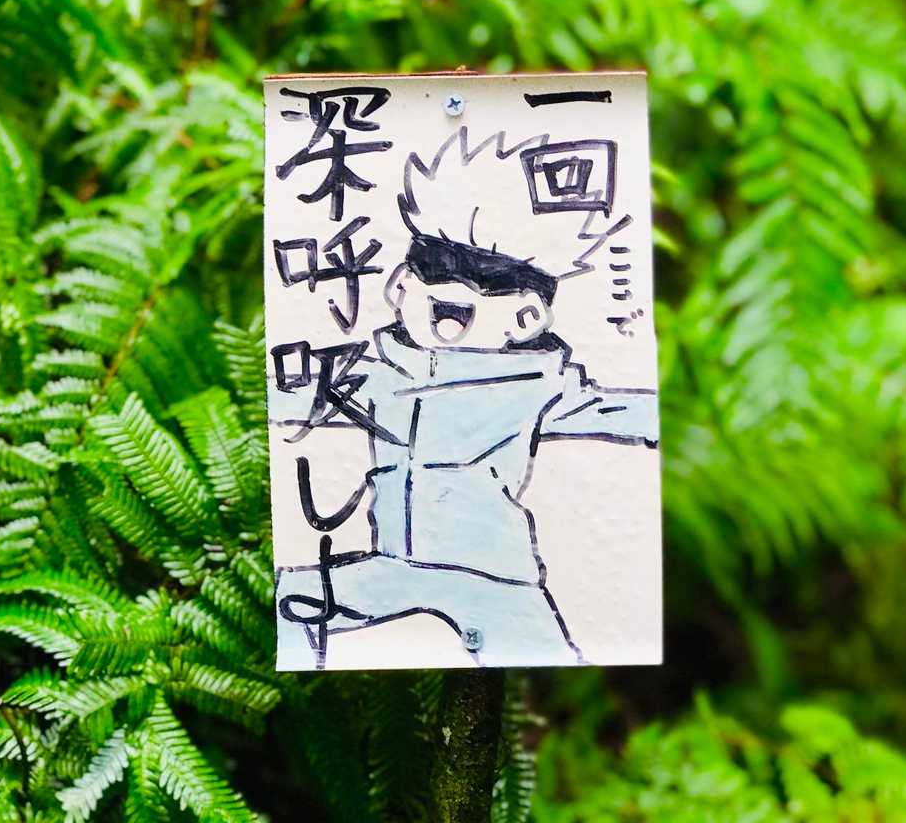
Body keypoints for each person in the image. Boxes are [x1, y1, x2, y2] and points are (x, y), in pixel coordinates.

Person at [270, 127, 659, 668]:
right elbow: (290, 400)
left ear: (527, 317)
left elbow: (623, 411)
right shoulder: (377, 373)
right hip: (393, 568)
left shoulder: (536, 383)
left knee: (543, 648)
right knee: (288, 599)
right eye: (431, 268)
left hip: (493, 577)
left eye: (482, 283)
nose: (447, 289)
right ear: (401, 285)